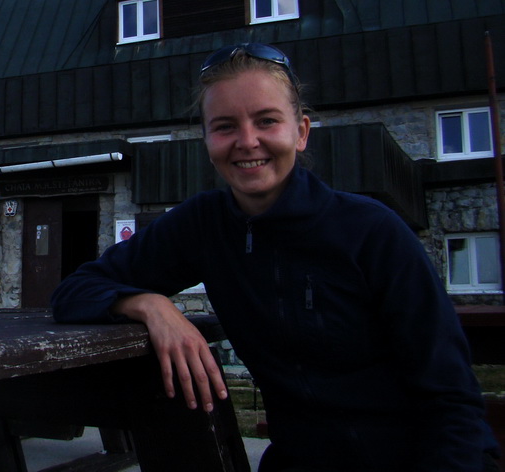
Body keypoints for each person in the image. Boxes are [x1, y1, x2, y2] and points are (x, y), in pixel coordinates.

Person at [50, 43, 500, 471]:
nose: (247, 141)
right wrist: (148, 304)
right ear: (207, 139)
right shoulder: (202, 225)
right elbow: (74, 290)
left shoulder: (372, 232)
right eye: (225, 126)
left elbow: (451, 401)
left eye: (267, 121)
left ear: (300, 132)